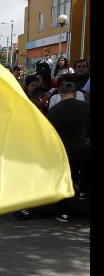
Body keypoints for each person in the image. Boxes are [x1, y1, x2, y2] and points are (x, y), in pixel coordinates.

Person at [46, 78, 89, 221]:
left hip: (63, 151)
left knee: (65, 180)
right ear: (75, 93)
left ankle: (63, 212)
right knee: (84, 175)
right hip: (83, 148)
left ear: (60, 93)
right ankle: (83, 194)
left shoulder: (54, 110)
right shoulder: (85, 107)